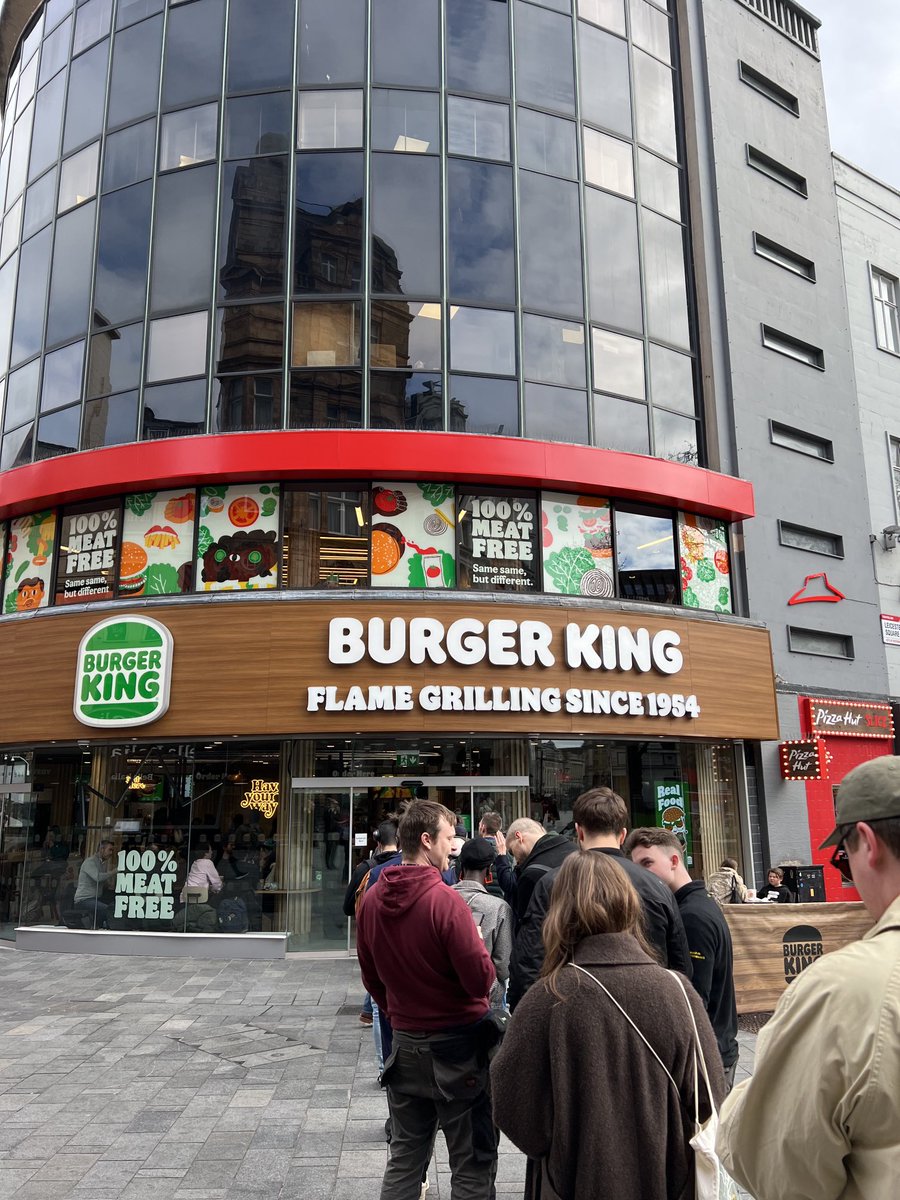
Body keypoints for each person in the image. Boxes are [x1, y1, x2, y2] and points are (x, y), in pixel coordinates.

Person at [717, 754, 900, 1200]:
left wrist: (747, 1097)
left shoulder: (841, 990)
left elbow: (775, 1167)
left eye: (843, 859)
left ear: (867, 843)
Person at [492, 851, 724, 1200]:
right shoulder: (677, 992)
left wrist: (560, 1144)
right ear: (628, 905)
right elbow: (712, 1097)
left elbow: (511, 1103)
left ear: (560, 913)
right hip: (666, 1181)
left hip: (572, 1182)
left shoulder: (548, 996)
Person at [356, 800, 498, 1200]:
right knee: (471, 1161)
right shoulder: (446, 901)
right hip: (457, 1047)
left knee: (405, 1157)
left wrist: (401, 1010)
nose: (453, 846)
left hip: (405, 1044)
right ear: (426, 840)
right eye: (449, 837)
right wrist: (479, 943)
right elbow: (479, 980)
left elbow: (372, 980)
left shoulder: (370, 900)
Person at [508, 788, 692, 1009]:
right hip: (645, 1012)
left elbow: (529, 960)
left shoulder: (551, 883)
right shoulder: (656, 887)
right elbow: (680, 966)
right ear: (623, 835)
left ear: (579, 833)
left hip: (573, 1013)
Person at [624, 827, 739, 1088]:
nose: (640, 873)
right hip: (713, 1051)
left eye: (647, 863)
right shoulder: (697, 904)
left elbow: (694, 998)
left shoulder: (692, 916)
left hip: (705, 1059)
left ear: (674, 861)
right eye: (637, 866)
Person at [452, 837, 514, 1011]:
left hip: (445, 993)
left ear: (461, 867)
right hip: (485, 998)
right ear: (489, 870)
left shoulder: (440, 898)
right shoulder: (499, 908)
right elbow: (503, 967)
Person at [492, 817, 576, 924]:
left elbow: (528, 926)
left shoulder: (531, 874)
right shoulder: (575, 850)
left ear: (519, 837)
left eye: (512, 852)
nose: (515, 859)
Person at [73, 839, 117, 929]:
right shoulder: (90, 862)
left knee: (114, 905)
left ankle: (101, 926)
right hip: (84, 900)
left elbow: (102, 882)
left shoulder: (101, 864)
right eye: (110, 850)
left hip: (95, 897)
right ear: (101, 849)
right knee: (106, 909)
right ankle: (99, 928)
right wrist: (114, 871)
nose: (111, 853)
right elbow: (97, 877)